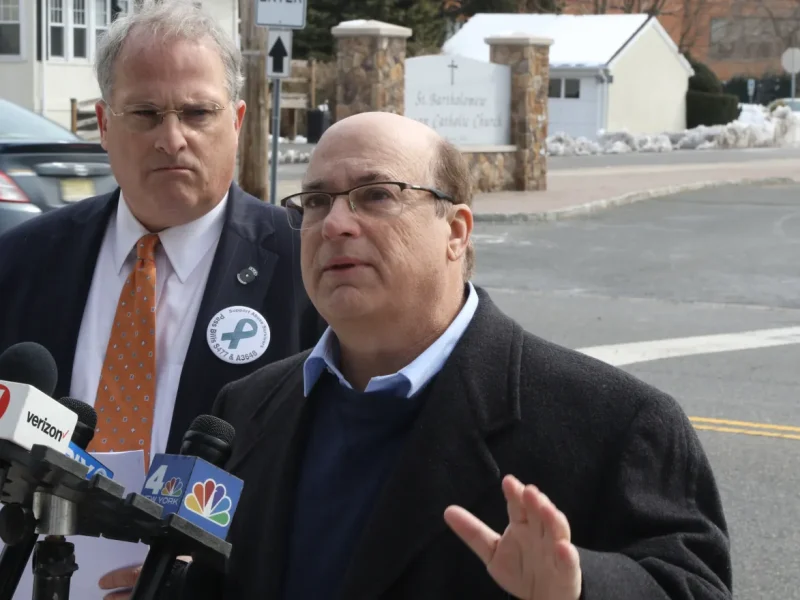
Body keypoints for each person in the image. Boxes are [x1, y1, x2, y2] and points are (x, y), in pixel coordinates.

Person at [169, 110, 732, 599]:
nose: (336, 224)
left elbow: (691, 585)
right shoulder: (246, 408)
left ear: (456, 231)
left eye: (377, 195)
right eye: (315, 201)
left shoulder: (619, 424)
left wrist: (580, 586)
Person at [0, 1, 323, 597]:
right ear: (102, 123)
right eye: (145, 113)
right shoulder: (21, 262)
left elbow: (332, 475)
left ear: (238, 121)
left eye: (197, 112)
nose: (171, 138)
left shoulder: (309, 267)